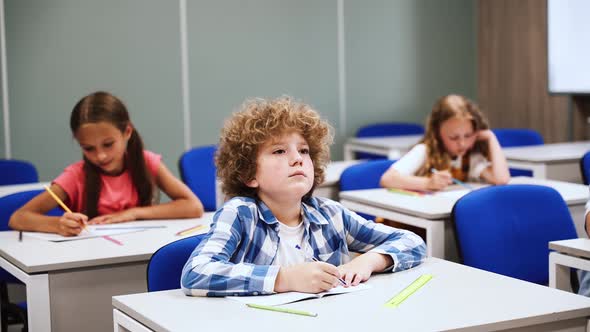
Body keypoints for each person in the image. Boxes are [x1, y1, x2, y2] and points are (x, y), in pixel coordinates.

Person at [181, 96, 426, 297]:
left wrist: (370, 260)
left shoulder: (330, 214)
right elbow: (196, 273)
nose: (297, 158)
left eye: (304, 150)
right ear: (248, 174)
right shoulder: (240, 214)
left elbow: (413, 242)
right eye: (279, 150)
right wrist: (283, 278)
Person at [9, 91, 204, 236]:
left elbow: (193, 206)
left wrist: (133, 213)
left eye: (108, 144)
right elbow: (18, 217)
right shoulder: (76, 176)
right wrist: (59, 224)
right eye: (88, 148)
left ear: (127, 132)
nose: (100, 156)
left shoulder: (146, 162)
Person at [380, 94, 510, 191]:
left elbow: (501, 179)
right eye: (453, 138)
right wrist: (427, 183)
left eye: (468, 135)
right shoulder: (424, 151)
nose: (462, 144)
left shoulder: (471, 159)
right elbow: (387, 179)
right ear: (437, 132)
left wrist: (491, 137)